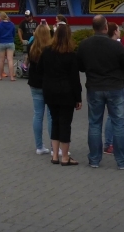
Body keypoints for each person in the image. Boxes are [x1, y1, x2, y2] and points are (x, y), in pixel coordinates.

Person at [77, 15, 124, 169]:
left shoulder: (84, 44)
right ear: (106, 26)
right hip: (115, 87)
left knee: (94, 123)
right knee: (118, 123)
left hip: (94, 87)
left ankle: (94, 160)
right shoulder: (116, 45)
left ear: (93, 27)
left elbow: (80, 66)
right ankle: (122, 161)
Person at [39, 23, 82, 166]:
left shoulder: (46, 51)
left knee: (55, 122)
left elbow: (41, 70)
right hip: (66, 92)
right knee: (65, 123)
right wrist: (78, 97)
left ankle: (55, 155)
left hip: (50, 91)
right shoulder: (70, 55)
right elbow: (75, 79)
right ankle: (65, 157)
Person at [26, 23, 54, 155]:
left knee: (38, 115)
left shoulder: (31, 47)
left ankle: (39, 146)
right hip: (48, 84)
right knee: (50, 115)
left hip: (34, 84)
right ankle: (54, 146)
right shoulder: (50, 48)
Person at [0, 11, 17, 81]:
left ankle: (0, 76)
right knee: (10, 60)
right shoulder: (12, 24)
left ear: (1, 17)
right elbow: (14, 34)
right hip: (10, 42)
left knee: (1, 60)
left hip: (1, 43)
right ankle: (12, 77)